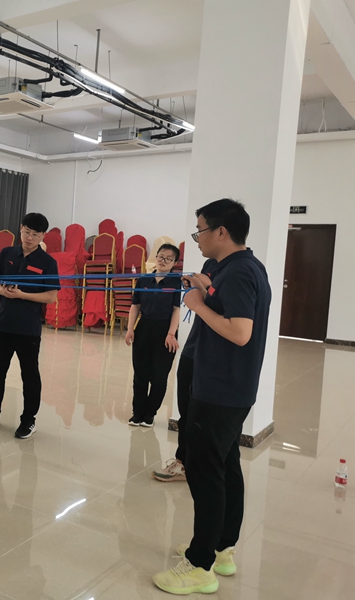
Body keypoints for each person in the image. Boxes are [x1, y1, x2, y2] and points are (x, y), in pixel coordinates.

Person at [153, 199, 271, 595]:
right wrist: (206, 288)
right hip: (230, 387)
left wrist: (197, 304)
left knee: (205, 475)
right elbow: (229, 304)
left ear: (221, 231)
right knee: (225, 465)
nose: (196, 238)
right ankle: (222, 549)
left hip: (220, 390)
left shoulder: (238, 272)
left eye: (200, 230)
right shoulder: (239, 267)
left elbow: (240, 332)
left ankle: (200, 564)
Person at [0, 213, 59, 439]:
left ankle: (28, 420)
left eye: (35, 234)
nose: (29, 238)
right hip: (2, 325)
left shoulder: (48, 262)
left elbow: (51, 297)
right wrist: (2, 291)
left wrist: (22, 295)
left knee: (29, 375)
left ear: (43, 236)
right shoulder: (7, 253)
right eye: (26, 232)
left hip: (28, 329)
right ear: (20, 228)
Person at [152, 258, 218, 483]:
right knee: (186, 411)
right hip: (193, 349)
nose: (198, 242)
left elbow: (224, 310)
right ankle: (184, 462)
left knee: (202, 417)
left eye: (200, 237)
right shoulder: (211, 263)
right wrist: (197, 287)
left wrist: (205, 287)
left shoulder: (239, 270)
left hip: (212, 355)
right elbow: (207, 298)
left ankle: (196, 466)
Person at [124, 244, 182, 428]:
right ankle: (137, 413)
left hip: (165, 331)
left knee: (159, 376)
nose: (163, 261)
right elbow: (135, 306)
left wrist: (171, 333)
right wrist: (130, 328)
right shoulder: (144, 279)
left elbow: (176, 309)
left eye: (168, 258)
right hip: (144, 327)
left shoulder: (176, 282)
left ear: (174, 262)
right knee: (140, 374)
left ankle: (150, 414)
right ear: (155, 257)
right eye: (161, 256)